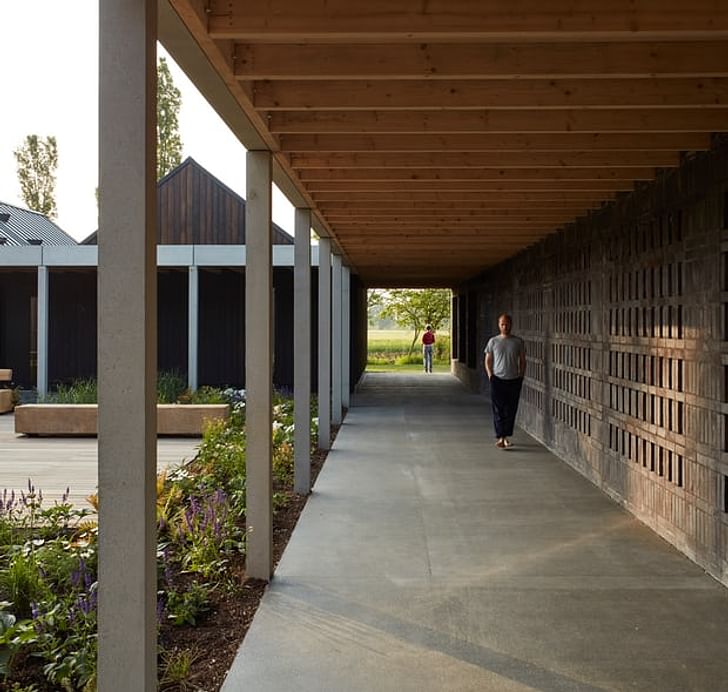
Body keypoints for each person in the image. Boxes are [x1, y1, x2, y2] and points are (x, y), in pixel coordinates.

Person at [484, 313, 526, 449]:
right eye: (502, 324)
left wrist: (521, 375)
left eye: (507, 324)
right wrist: (490, 375)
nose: (505, 326)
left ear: (511, 325)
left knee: (511, 409)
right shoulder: (493, 341)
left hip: (513, 380)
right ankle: (501, 437)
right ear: (499, 325)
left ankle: (505, 436)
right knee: (498, 409)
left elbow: (523, 360)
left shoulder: (518, 342)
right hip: (498, 379)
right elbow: (488, 360)